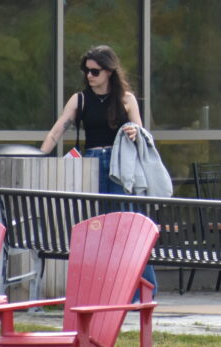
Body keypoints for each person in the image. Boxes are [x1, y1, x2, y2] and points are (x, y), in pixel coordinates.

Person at [40, 44, 158, 297]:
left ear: (109, 71)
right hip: (90, 163)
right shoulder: (79, 99)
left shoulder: (125, 99)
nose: (89, 76)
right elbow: (58, 128)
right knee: (95, 228)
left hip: (118, 164)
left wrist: (134, 131)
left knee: (126, 226)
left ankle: (144, 292)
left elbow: (142, 133)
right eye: (86, 71)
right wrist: (40, 156)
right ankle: (103, 291)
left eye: (95, 71)